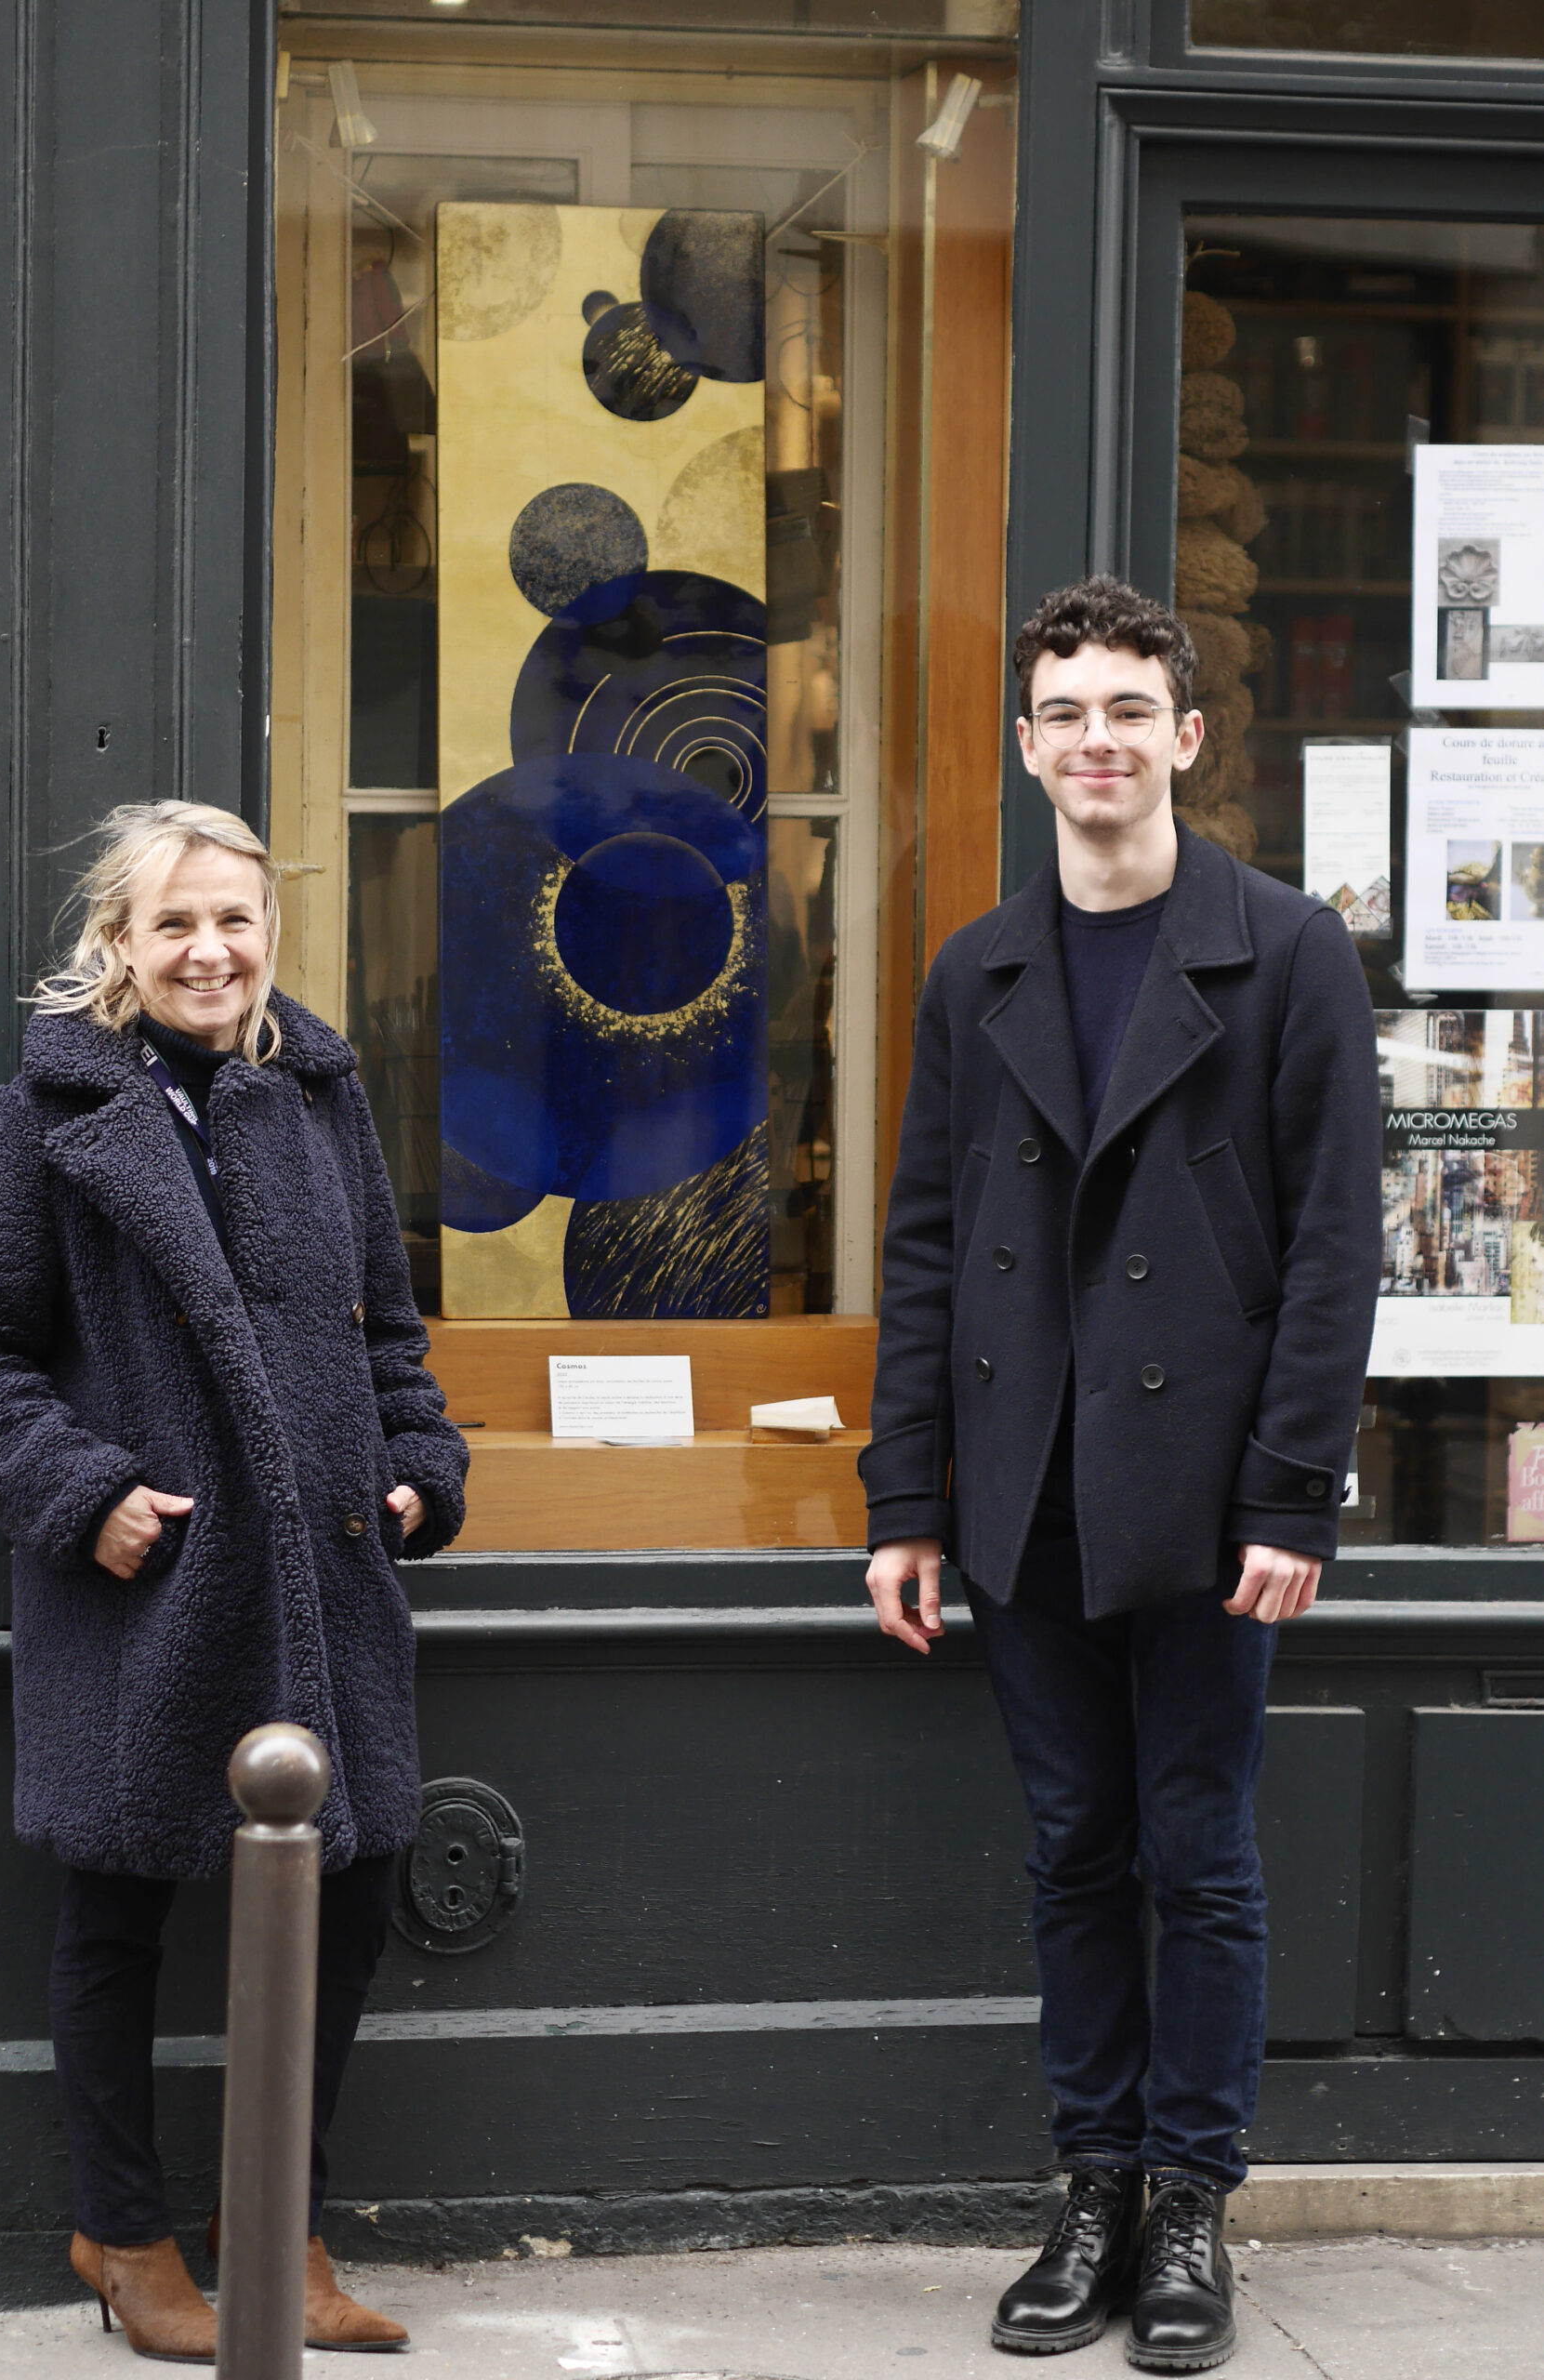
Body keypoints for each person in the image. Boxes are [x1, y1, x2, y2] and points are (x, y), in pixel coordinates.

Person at [860, 577, 1381, 2373]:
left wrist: (1291, 1493)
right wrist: (906, 1501)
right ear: (1027, 748)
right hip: (1024, 1491)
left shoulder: (1286, 950)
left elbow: (1332, 1249)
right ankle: (1087, 2189)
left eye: (1122, 709)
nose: (1093, 739)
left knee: (1199, 1854)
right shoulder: (976, 967)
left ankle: (1186, 2211)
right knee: (1075, 1851)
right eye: (1061, 712)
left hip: (1205, 1486)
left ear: (1184, 735)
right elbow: (924, 1246)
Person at [0, 801, 468, 2363]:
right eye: (174, 924)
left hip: (325, 1576)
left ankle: (278, 2227)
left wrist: (422, 1467)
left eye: (233, 920)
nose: (209, 951)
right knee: (118, 1902)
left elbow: (386, 1331)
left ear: (266, 932)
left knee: (346, 1897)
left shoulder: (317, 1091)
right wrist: (86, 1496)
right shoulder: (40, 1121)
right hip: (153, 1584)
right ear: (118, 941)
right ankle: (124, 2230)